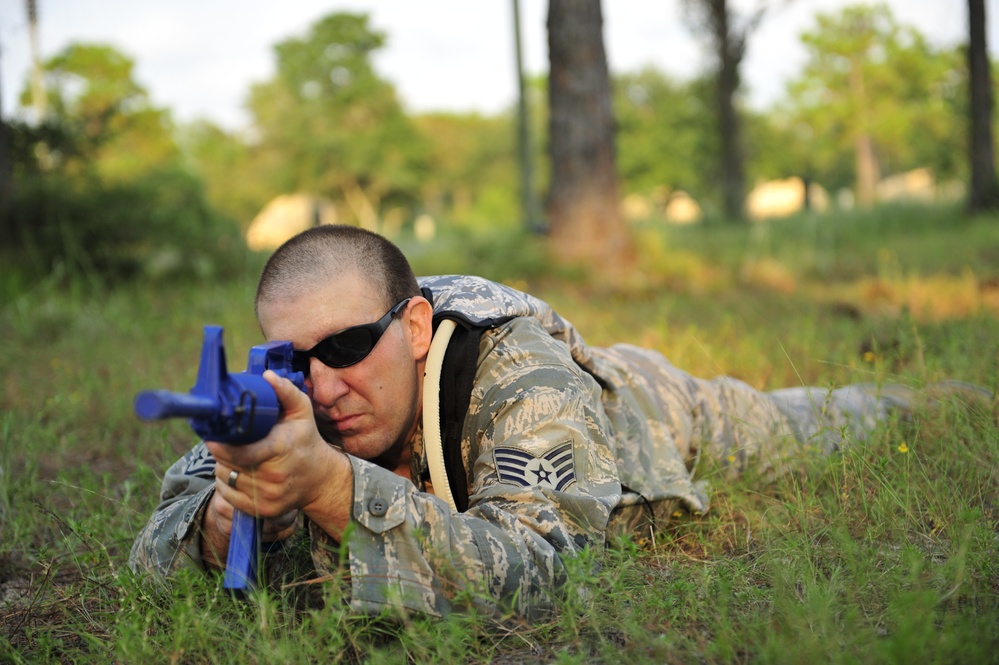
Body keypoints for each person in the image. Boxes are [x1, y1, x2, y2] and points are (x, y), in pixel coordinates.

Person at [129, 224, 976, 619]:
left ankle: (959, 400)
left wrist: (335, 489)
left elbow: (541, 571)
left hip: (656, 417)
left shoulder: (514, 371)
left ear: (414, 327)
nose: (321, 383)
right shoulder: (271, 404)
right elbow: (149, 560)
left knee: (836, 417)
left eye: (348, 345)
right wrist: (220, 522)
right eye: (289, 359)